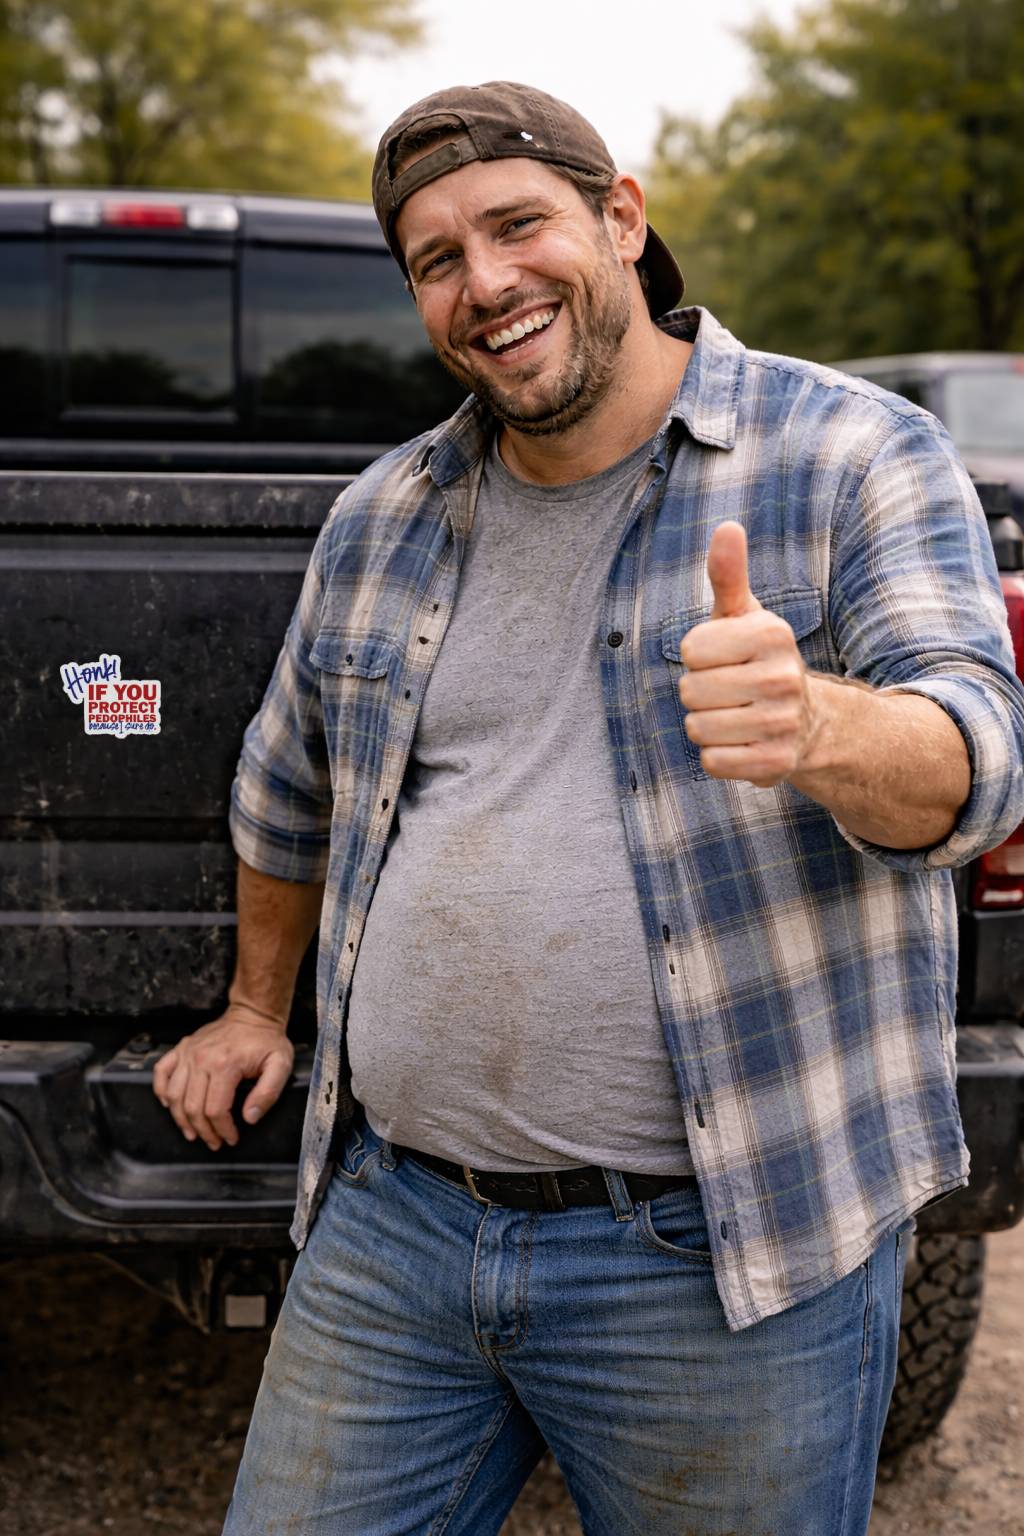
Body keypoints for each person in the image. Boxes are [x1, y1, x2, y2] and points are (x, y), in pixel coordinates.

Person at [154, 81, 1024, 1536]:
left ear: (621, 221)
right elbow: (287, 787)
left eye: (516, 225)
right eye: (436, 259)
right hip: (398, 1224)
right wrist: (256, 1009)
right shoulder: (383, 515)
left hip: (721, 1256)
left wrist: (818, 720)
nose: (484, 283)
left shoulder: (853, 455)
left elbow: (982, 754)